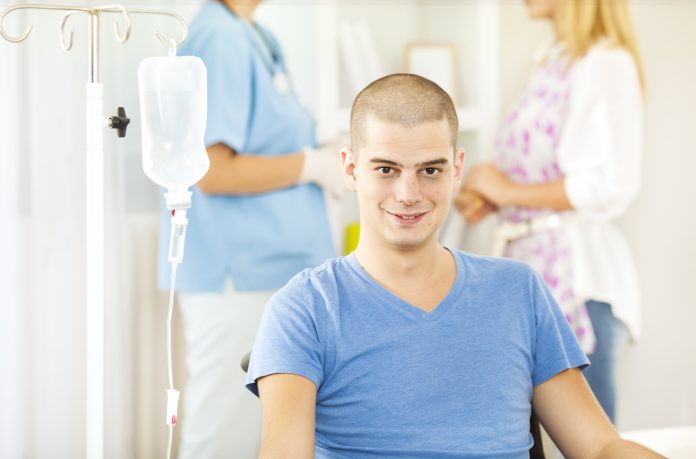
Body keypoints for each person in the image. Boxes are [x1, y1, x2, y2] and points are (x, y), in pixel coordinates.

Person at [244, 74, 663, 458]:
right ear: (351, 169)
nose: (408, 193)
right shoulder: (303, 308)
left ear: (457, 169)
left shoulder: (518, 290)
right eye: (386, 169)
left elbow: (600, 447)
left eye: (430, 170)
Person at [156, 1, 343, 457]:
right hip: (237, 273)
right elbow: (212, 171)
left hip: (271, 269)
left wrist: (321, 153)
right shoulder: (221, 38)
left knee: (263, 426)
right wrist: (309, 165)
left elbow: (269, 139)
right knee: (226, 427)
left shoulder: (257, 35)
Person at [455, 0, 644, 425]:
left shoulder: (606, 64)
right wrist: (498, 197)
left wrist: (509, 190)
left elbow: (608, 184)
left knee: (587, 441)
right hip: (530, 271)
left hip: (577, 282)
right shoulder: (553, 63)